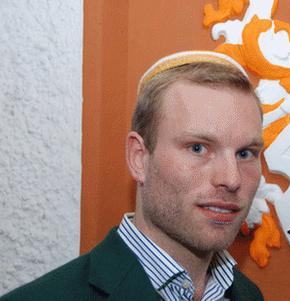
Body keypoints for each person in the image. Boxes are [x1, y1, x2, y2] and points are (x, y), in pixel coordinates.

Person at [1, 51, 265, 301]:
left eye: (245, 153)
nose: (232, 179)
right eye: (198, 148)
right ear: (139, 158)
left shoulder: (247, 294)